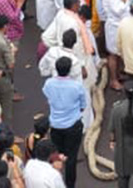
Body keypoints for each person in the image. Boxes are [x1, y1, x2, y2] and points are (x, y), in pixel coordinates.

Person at [42, 56, 87, 188]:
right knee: (71, 158)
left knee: (56, 156)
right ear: (70, 69)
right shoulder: (77, 86)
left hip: (55, 126)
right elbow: (83, 105)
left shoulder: (49, 83)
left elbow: (47, 95)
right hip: (73, 126)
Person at [109, 80, 133, 188]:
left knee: (123, 179)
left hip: (122, 150)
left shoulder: (117, 109)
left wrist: (112, 141)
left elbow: (112, 130)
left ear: (124, 92)